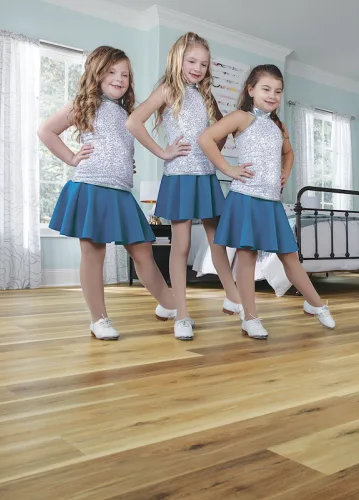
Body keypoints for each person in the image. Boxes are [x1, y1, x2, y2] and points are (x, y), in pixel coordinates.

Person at [38, 46, 177, 341]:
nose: (119, 78)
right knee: (93, 254)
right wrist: (72, 158)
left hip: (120, 192)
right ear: (97, 74)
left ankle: (168, 303)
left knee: (143, 252)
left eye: (125, 74)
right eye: (112, 72)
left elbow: (119, 143)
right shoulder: (84, 104)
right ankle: (98, 319)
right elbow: (46, 130)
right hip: (91, 187)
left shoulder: (127, 113)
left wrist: (126, 163)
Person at [198, 64, 335, 339]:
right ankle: (250, 318)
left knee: (290, 256)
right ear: (251, 90)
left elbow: (289, 153)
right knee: (246, 258)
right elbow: (206, 138)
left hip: (271, 201)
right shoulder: (240, 117)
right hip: (246, 197)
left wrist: (285, 172)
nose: (272, 95)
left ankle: (316, 303)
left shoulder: (278, 125)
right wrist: (228, 168)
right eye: (266, 89)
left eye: (278, 91)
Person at [126, 32, 245, 340]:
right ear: (178, 59)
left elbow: (221, 132)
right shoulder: (167, 90)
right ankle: (181, 312)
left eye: (203, 63)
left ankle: (234, 298)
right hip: (179, 177)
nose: (198, 68)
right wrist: (163, 152)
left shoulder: (206, 96)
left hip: (206, 177)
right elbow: (134, 122)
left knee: (218, 242)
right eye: (192, 61)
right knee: (181, 247)